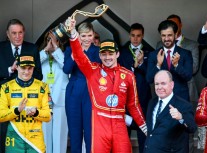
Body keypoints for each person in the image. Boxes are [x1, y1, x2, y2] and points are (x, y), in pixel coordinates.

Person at [66, 17, 147, 153]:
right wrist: (73, 33)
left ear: (117, 54)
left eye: (111, 54)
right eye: (104, 54)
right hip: (100, 127)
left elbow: (133, 105)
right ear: (100, 55)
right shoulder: (93, 71)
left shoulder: (128, 75)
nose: (107, 57)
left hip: (119, 126)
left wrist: (144, 127)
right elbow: (80, 57)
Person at [0, 19, 43, 153]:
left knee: (27, 135)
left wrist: (25, 73)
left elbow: (39, 75)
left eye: (20, 33)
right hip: (5, 99)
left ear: (24, 33)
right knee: (3, 133)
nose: (17, 36)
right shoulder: (0, 48)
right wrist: (10, 70)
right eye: (14, 33)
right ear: (8, 34)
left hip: (27, 99)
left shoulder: (32, 48)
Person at [0, 54, 51, 153]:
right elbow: (1, 115)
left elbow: (48, 116)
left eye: (30, 68)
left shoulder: (43, 87)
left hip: (35, 142)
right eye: (23, 68)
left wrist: (36, 113)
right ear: (17, 67)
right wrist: (16, 111)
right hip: (14, 140)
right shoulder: (6, 88)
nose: (26, 72)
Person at [63, 22, 101, 153]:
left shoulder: (97, 51)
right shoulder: (70, 49)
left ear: (93, 35)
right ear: (78, 36)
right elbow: (66, 69)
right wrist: (75, 53)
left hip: (91, 93)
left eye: (89, 35)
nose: (86, 39)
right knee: (74, 132)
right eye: (83, 35)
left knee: (91, 132)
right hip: (73, 92)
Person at [144, 70, 197, 153]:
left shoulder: (183, 105)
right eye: (157, 84)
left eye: (163, 83)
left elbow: (192, 127)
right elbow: (151, 132)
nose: (159, 87)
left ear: (172, 85)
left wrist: (181, 117)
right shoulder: (152, 103)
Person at [118, 23, 152, 153]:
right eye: (133, 35)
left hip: (143, 98)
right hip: (125, 98)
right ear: (129, 35)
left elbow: (150, 76)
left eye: (138, 36)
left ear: (142, 36)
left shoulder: (149, 52)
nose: (135, 39)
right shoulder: (122, 52)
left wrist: (141, 63)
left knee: (143, 132)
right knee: (123, 134)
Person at [156, 14, 199, 107]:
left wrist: (181, 58)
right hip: (165, 91)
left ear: (180, 25)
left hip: (186, 89)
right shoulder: (159, 45)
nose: (173, 27)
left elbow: (194, 68)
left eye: (175, 24)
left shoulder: (192, 45)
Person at [147, 19, 193, 101]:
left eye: (169, 35)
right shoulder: (153, 55)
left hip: (181, 99)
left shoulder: (185, 54)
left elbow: (188, 76)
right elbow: (149, 79)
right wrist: (158, 64)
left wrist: (177, 65)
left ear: (175, 35)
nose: (166, 38)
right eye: (163, 35)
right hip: (160, 99)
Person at [39, 31, 69, 153]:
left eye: (54, 40)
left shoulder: (65, 55)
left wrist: (56, 49)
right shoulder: (41, 56)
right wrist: (46, 50)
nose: (51, 43)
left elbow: (67, 67)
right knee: (45, 136)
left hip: (60, 100)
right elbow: (34, 65)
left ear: (59, 42)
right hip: (44, 101)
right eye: (48, 40)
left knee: (60, 136)